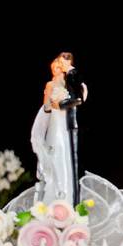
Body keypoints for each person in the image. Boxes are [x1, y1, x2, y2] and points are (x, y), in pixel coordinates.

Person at [31, 52, 87, 205]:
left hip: (65, 123)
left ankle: (68, 196)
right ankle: (56, 195)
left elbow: (79, 97)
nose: (56, 71)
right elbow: (47, 107)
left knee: (67, 156)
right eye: (54, 68)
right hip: (56, 122)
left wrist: (63, 103)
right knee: (57, 152)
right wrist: (52, 104)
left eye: (58, 68)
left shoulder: (69, 84)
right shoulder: (50, 84)